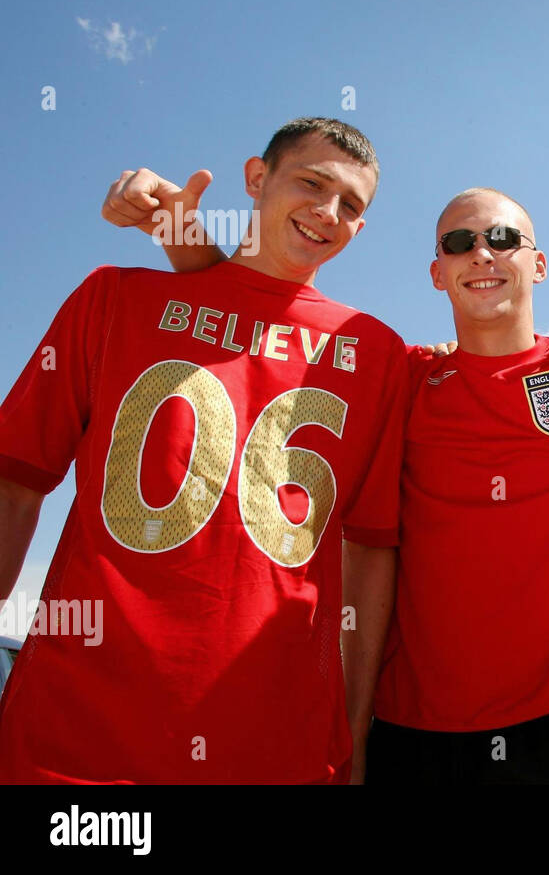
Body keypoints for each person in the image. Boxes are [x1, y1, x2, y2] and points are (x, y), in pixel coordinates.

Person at [101, 174, 549, 783]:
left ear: (540, 263)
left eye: (503, 238)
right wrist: (182, 239)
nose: (481, 252)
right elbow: (273, 326)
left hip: (545, 722)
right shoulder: (402, 374)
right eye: (458, 242)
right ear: (436, 273)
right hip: (405, 722)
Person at [0, 118, 409, 782]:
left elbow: (369, 549)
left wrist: (356, 736)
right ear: (256, 178)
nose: (328, 212)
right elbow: (15, 480)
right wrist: (183, 239)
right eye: (312, 182)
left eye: (352, 206)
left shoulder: (375, 353)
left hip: (276, 743)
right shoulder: (115, 297)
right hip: (74, 739)